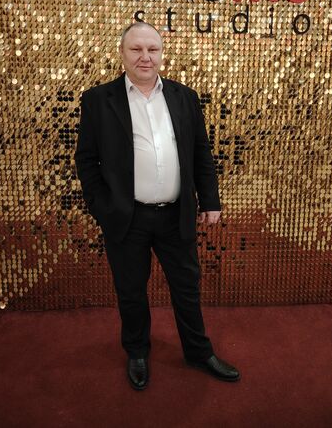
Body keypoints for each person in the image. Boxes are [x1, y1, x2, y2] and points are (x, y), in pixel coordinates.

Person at [74, 21, 240, 390]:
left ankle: (198, 352)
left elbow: (200, 153)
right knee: (131, 290)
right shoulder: (98, 100)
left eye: (153, 49)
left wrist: (210, 200)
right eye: (136, 49)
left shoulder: (184, 97)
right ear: (122, 54)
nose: (145, 57)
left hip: (175, 215)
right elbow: (86, 160)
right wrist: (102, 207)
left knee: (187, 288)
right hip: (126, 217)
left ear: (162, 54)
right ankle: (137, 352)